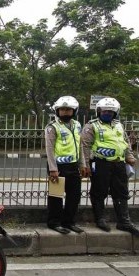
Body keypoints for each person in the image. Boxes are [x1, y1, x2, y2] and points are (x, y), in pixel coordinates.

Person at [81, 97, 139, 236]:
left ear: (115, 113)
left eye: (110, 112)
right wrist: (85, 164)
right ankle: (100, 219)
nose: (107, 113)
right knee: (99, 191)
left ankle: (124, 222)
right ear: (99, 111)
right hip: (100, 163)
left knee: (121, 192)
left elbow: (125, 143)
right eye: (104, 111)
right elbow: (84, 146)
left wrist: (129, 157)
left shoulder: (119, 125)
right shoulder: (91, 125)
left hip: (119, 163)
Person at [45, 96, 85, 234]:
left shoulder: (77, 125)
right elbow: (49, 149)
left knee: (74, 196)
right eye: (62, 109)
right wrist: (53, 169)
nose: (65, 112)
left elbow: (80, 146)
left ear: (74, 111)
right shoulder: (52, 127)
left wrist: (82, 164)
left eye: (69, 110)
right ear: (57, 111)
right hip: (58, 167)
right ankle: (54, 222)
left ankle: (69, 222)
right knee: (56, 196)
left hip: (73, 166)